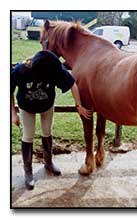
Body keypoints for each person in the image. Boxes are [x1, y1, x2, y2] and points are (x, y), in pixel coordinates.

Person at [11, 50, 92, 190]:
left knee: (47, 132)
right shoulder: (20, 70)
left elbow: (72, 84)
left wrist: (78, 105)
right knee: (28, 135)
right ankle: (28, 172)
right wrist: (13, 113)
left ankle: (48, 162)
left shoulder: (54, 68)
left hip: (47, 106)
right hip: (26, 107)